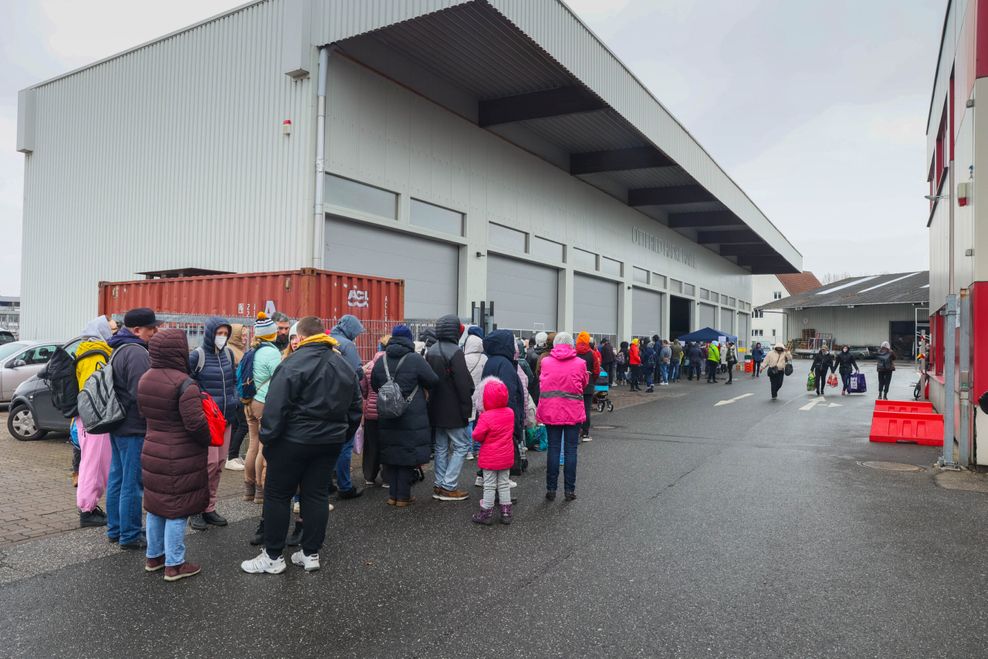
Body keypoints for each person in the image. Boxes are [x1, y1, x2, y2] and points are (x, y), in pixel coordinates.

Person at [241, 317, 363, 575]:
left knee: (277, 495)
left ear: (302, 338)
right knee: (316, 495)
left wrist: (270, 442)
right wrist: (341, 437)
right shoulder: (343, 365)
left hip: (292, 442)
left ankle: (273, 556)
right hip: (329, 441)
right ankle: (310, 553)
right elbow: (355, 408)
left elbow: (275, 409)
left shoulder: (292, 364)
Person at [137, 329, 211, 581]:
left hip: (152, 449)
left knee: (157, 506)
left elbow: (142, 413)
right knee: (178, 509)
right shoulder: (184, 383)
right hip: (180, 454)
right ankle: (175, 564)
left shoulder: (146, 378)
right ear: (178, 351)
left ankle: (154, 557)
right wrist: (208, 440)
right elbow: (196, 424)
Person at [106, 307, 158, 550]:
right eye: (151, 328)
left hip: (118, 424)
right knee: (132, 483)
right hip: (134, 427)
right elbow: (143, 393)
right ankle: (130, 534)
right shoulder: (137, 352)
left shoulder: (118, 348)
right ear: (137, 330)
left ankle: (116, 529)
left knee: (117, 478)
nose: (155, 332)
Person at [372, 325, 438, 507]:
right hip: (411, 414)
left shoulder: (381, 360)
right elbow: (433, 380)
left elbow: (375, 385)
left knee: (392, 453)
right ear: (409, 340)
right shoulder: (415, 359)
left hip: (387, 414)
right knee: (407, 454)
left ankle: (393, 495)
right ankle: (403, 496)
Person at [187, 317, 238, 530]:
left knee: (218, 465)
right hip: (207, 421)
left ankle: (209, 507)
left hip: (226, 419)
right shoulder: (196, 356)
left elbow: (233, 381)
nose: (222, 337)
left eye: (225, 334)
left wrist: (234, 401)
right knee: (205, 465)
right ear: (210, 334)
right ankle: (195, 509)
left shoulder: (228, 354)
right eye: (219, 333)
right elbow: (188, 384)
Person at [426, 314, 475, 501]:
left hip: (435, 408)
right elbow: (464, 385)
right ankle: (449, 486)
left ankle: (439, 484)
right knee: (462, 445)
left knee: (440, 447)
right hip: (453, 409)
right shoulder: (455, 351)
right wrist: (466, 409)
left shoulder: (431, 350)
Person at [537, 332, 589, 501]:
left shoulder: (546, 362)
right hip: (573, 411)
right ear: (571, 344)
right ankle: (569, 490)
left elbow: (542, 381)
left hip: (551, 410)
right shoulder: (580, 363)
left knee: (553, 449)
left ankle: (551, 489)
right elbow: (584, 382)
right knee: (570, 451)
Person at [75, 316, 115, 528]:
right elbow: (94, 389)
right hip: (95, 417)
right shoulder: (96, 353)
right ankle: (87, 509)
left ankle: (89, 506)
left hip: (90, 416)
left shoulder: (90, 349)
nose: (114, 332)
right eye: (111, 329)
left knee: (93, 462)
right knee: (93, 463)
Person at [243, 312, 283, 506]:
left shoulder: (252, 351)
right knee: (263, 446)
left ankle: (248, 488)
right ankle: (260, 490)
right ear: (272, 334)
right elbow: (280, 378)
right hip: (264, 403)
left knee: (252, 444)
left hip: (249, 402)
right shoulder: (272, 352)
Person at [329, 315, 367, 500]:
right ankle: (345, 486)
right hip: (345, 399)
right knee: (345, 444)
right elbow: (356, 371)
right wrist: (363, 370)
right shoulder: (347, 345)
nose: (357, 336)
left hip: (328, 399)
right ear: (350, 329)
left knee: (329, 442)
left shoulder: (328, 339)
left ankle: (328, 482)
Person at [471, 377, 516, 525]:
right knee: (503, 483)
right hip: (506, 456)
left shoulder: (485, 417)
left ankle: (486, 513)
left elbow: (476, 435)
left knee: (489, 484)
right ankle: (505, 512)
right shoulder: (510, 413)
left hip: (489, 458)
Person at [482, 330, 526, 476]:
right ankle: (500, 491)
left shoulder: (491, 361)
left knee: (492, 451)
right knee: (503, 458)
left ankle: (487, 480)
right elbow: (509, 394)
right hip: (503, 417)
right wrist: (516, 422)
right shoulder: (505, 364)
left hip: (490, 415)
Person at [360, 336, 389, 486]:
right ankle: (387, 478)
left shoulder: (369, 366)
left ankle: (369, 476)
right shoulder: (391, 365)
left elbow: (363, 389)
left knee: (371, 445)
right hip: (387, 411)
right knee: (387, 444)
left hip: (371, 411)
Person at [225, 323, 249, 471]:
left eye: (246, 335)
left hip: (238, 394)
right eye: (243, 335)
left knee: (237, 425)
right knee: (243, 425)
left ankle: (232, 455)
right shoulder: (230, 351)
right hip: (236, 395)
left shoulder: (239, 350)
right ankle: (231, 456)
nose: (245, 338)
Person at [463, 326, 488, 461]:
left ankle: (468, 450)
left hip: (468, 392)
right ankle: (479, 448)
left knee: (469, 422)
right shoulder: (484, 358)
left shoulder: (463, 358)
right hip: (482, 392)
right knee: (480, 422)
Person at [575, 332, 599, 441]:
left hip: (575, 385)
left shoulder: (574, 352)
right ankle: (585, 433)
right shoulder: (592, 353)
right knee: (586, 408)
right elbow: (596, 370)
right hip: (588, 385)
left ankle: (576, 430)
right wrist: (592, 380)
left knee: (575, 408)